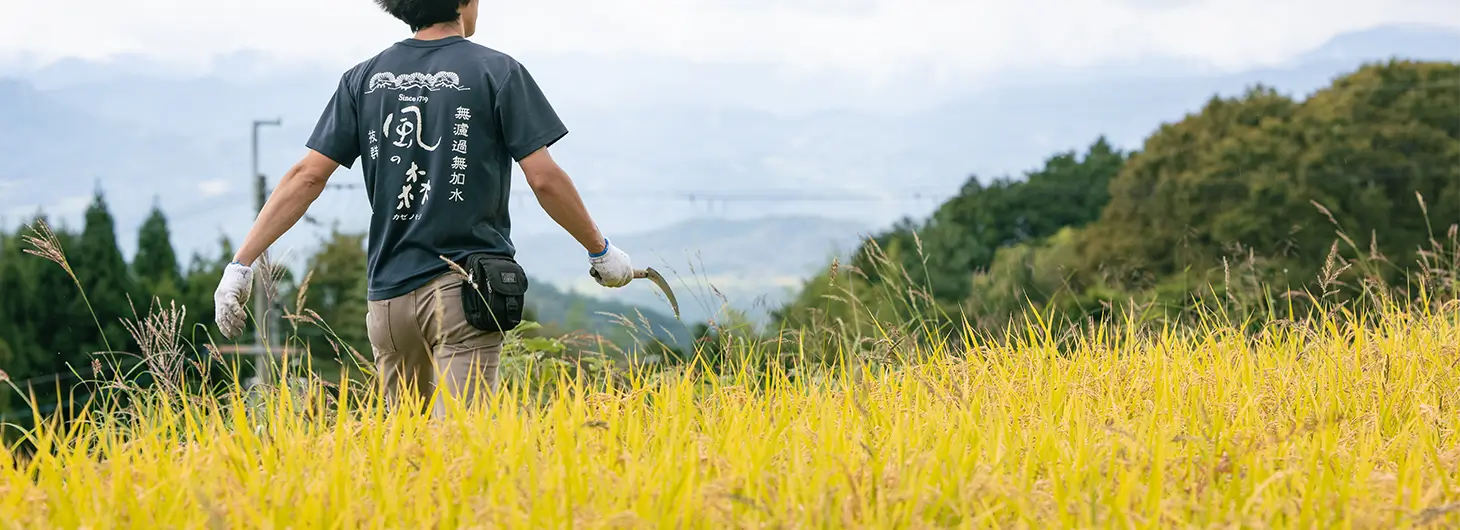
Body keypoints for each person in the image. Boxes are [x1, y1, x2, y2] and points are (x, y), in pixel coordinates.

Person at [212, 0, 634, 416]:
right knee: (461, 453)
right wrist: (601, 250)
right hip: (463, 293)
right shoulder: (497, 71)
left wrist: (241, 264)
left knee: (409, 455)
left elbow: (307, 176)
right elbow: (544, 178)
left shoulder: (363, 78)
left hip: (388, 302)